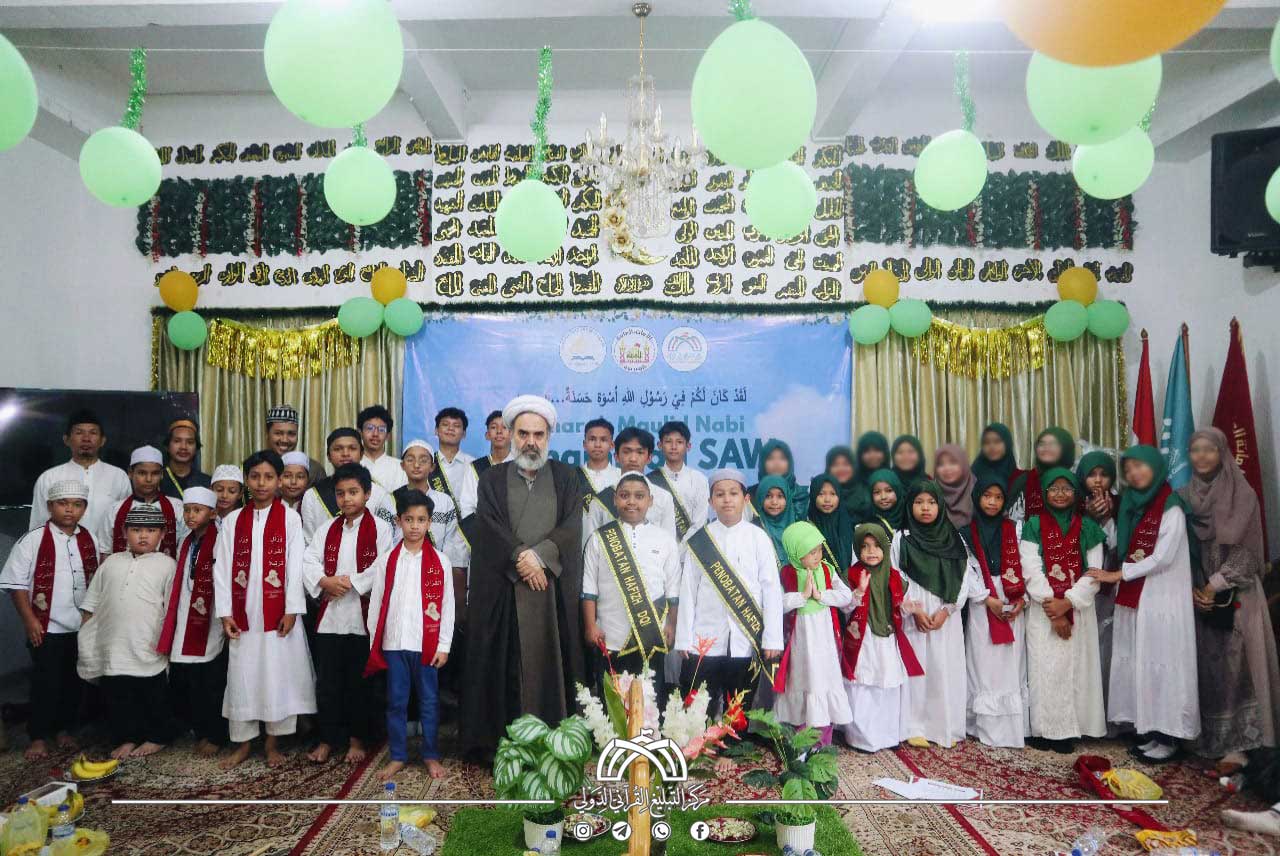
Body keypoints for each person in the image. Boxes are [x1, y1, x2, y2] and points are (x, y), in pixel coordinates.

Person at [460, 396, 584, 757]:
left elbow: (571, 526)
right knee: (507, 666)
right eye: (524, 434)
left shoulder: (566, 477)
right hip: (506, 588)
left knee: (552, 662)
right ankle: (505, 743)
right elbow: (488, 526)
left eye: (538, 435)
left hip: (550, 589)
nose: (531, 442)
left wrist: (540, 557)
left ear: (548, 438)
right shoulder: (492, 479)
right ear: (512, 435)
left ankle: (555, 740)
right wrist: (521, 557)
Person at [1086, 445, 1199, 762]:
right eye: (1128, 469)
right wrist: (1104, 518)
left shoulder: (1171, 506)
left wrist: (1118, 574)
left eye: (1140, 466)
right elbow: (1117, 544)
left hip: (1162, 598)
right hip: (1136, 595)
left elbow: (1163, 557)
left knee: (1163, 662)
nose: (1134, 473)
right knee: (1142, 661)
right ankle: (1151, 731)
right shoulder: (1131, 505)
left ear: (1155, 467)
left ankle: (1170, 735)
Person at [215, 450, 317, 769]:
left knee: (277, 675)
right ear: (246, 480)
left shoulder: (290, 518)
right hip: (243, 613)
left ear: (279, 480)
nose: (261, 483)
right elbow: (222, 570)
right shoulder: (233, 521)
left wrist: (292, 609)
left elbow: (295, 567)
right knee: (242, 676)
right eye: (255, 476)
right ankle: (243, 744)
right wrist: (225, 612)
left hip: (278, 614)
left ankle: (273, 743)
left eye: (269, 477)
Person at [1182, 427, 1280, 758]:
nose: (1202, 456)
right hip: (1197, 597)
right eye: (1196, 450)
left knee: (1238, 666)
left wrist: (1213, 585)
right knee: (1208, 669)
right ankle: (1209, 741)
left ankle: (1243, 747)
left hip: (1237, 595)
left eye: (1209, 449)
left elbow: (1248, 553)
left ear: (1222, 453)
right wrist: (1194, 588)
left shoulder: (1242, 494)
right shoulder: (1183, 496)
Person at [358, 489, 455, 782]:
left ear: (429, 523)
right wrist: (374, 642)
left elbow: (447, 606)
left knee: (429, 701)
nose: (414, 526)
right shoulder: (387, 560)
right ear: (398, 521)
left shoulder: (441, 562)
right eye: (409, 519)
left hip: (426, 645)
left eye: (421, 520)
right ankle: (398, 755)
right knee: (396, 702)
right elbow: (376, 603)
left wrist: (444, 645)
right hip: (394, 643)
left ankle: (430, 754)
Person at [302, 463, 393, 765]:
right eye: (340, 493)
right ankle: (327, 738)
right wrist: (324, 581)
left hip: (361, 618)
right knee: (328, 683)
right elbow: (309, 560)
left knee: (359, 683)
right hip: (330, 619)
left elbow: (382, 565)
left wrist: (350, 582)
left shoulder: (380, 528)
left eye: (353, 492)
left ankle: (356, 739)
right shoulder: (327, 528)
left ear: (367, 494)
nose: (347, 499)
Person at [2, 480, 98, 760]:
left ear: (84, 508)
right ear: (49, 506)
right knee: (45, 683)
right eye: (62, 503)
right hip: (47, 626)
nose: (69, 510)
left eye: (77, 504)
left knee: (73, 682)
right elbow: (15, 584)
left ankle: (63, 729)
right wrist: (30, 620)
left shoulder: (89, 539)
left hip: (79, 626)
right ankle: (38, 735)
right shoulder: (32, 540)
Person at [675, 469, 783, 716]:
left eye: (733, 493)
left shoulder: (758, 538)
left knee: (738, 713)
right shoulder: (700, 540)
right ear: (710, 501)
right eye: (720, 494)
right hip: (704, 639)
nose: (727, 500)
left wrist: (773, 639)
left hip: (745, 640)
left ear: (746, 499)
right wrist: (683, 638)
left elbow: (771, 591)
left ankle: (735, 741)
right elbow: (688, 590)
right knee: (699, 711)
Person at [77, 503, 176, 760]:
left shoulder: (167, 565)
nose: (143, 536)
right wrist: (86, 634)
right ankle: (126, 737)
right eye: (136, 530)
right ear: (124, 532)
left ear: (162, 534)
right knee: (117, 693)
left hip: (147, 641)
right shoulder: (111, 562)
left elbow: (171, 608)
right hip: (112, 642)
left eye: (151, 531)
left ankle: (157, 736)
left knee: (151, 692)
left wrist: (167, 643)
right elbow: (91, 602)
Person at [1020, 469, 1106, 752]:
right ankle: (1042, 729)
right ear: (1044, 493)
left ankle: (1068, 731)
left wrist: (1067, 602)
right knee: (1043, 668)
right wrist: (1054, 608)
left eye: (1066, 488)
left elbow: (1094, 573)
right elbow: (1030, 569)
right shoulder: (1033, 525)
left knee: (1073, 669)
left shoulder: (1089, 527)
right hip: (1043, 609)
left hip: (1078, 609)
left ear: (1076, 493)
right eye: (1053, 488)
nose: (1059, 494)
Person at [893, 480, 976, 749]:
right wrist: (914, 610)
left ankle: (944, 726)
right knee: (917, 670)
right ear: (910, 506)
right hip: (914, 615)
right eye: (919, 503)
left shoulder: (954, 538)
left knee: (943, 668)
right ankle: (914, 726)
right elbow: (895, 577)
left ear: (940, 505)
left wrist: (947, 610)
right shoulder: (902, 538)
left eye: (931, 502)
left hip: (944, 617)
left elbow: (964, 577)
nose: (925, 508)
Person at [581, 473, 680, 698]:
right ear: (615, 500)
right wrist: (590, 626)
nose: (631, 502)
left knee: (650, 703)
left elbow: (673, 589)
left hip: (652, 634)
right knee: (612, 704)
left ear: (650, 501)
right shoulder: (599, 538)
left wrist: (672, 625)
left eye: (639, 496)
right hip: (610, 635)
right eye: (625, 496)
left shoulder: (664, 539)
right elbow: (589, 588)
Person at [157, 486, 228, 756]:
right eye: (187, 510)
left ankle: (215, 733)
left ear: (212, 513)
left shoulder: (221, 539)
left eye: (197, 510)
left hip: (211, 616)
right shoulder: (185, 541)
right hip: (186, 614)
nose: (190, 515)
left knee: (210, 679)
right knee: (187, 677)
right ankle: (197, 728)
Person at [840, 522, 924, 752]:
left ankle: (887, 736)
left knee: (886, 685)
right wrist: (858, 591)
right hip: (863, 638)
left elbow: (897, 609)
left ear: (885, 549)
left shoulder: (894, 576)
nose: (871, 551)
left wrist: (907, 608)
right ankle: (861, 738)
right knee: (863, 684)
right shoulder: (851, 574)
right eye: (865, 546)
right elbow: (844, 607)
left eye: (877, 546)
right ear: (857, 548)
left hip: (887, 639)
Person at [962, 475, 1029, 749]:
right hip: (982, 601)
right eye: (987, 496)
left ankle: (1011, 728)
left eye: (998, 497)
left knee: (1010, 662)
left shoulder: (1016, 529)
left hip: (1012, 599)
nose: (992, 502)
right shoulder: (965, 533)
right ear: (977, 498)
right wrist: (986, 598)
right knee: (984, 661)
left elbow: (1025, 564)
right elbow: (965, 571)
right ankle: (983, 726)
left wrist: (1022, 598)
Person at [773, 521, 853, 746]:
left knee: (824, 679)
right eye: (811, 552)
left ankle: (822, 740)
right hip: (800, 640)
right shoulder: (787, 573)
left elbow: (846, 596)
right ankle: (800, 739)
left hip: (824, 638)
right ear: (796, 553)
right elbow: (777, 603)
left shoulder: (827, 570)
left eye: (819, 550)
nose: (818, 556)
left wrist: (821, 596)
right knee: (803, 679)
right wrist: (802, 596)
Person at [30, 408, 130, 536]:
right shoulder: (49, 478)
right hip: (61, 548)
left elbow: (128, 524)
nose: (86, 438)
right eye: (79, 432)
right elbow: (38, 526)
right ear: (66, 439)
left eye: (93, 433)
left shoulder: (118, 477)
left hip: (107, 548)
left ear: (102, 440)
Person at [1076, 449, 1120, 710]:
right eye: (1092, 474)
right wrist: (1090, 516)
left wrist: (1108, 517)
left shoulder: (1122, 504)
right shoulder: (1072, 503)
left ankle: (1110, 710)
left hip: (1114, 589)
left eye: (1104, 474)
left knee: (1110, 647)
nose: (1098, 480)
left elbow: (1121, 546)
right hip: (1082, 588)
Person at [301, 428, 395, 541]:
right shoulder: (312, 495)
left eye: (352, 448)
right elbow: (309, 540)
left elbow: (389, 536)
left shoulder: (379, 493)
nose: (345, 454)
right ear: (328, 456)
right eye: (338, 449)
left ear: (361, 454)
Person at [586, 428, 677, 541]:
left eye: (640, 452)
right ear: (616, 457)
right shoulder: (600, 501)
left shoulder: (663, 498)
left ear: (649, 458)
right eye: (627, 452)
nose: (633, 459)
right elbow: (590, 544)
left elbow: (670, 542)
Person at [99, 446, 186, 561]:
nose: (148, 479)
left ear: (162, 474)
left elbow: (185, 552)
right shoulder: (115, 510)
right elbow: (105, 553)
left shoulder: (177, 507)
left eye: (155, 473)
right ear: (130, 473)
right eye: (142, 473)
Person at [649, 420, 710, 543]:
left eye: (679, 442)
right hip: (658, 548)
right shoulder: (650, 481)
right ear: (660, 445)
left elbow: (699, 523)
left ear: (688, 446)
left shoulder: (699, 480)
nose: (673, 447)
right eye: (668, 441)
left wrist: (680, 550)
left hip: (689, 550)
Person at [1009, 427, 1075, 522]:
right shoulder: (1025, 480)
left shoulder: (1074, 481)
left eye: (1053, 444)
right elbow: (1012, 518)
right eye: (1042, 444)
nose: (1046, 448)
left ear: (1065, 448)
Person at [577, 418, 622, 542]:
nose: (597, 445)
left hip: (616, 546)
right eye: (592, 439)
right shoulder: (572, 477)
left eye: (603, 440)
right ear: (584, 444)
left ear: (612, 445)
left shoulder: (621, 477)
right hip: (581, 543)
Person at [807, 473, 855, 572]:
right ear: (813, 495)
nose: (827, 499)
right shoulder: (807, 529)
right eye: (821, 494)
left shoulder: (849, 525)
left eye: (833, 494)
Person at [749, 439, 808, 520]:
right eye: (770, 458)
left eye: (782, 458)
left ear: (790, 462)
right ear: (762, 463)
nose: (777, 463)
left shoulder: (801, 495)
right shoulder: (751, 495)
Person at [265, 404, 324, 482]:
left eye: (291, 434)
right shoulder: (255, 467)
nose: (285, 440)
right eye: (278, 433)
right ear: (267, 434)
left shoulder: (314, 470)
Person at [431, 407, 473, 516]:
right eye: (445, 424)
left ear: (464, 434)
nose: (450, 429)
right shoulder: (427, 463)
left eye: (456, 426)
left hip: (465, 524)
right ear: (436, 430)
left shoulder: (473, 465)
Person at [358, 404, 406, 493]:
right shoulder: (353, 464)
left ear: (388, 435)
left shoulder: (400, 468)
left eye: (381, 429)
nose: (375, 434)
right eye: (370, 428)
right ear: (360, 432)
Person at [159, 418, 211, 499]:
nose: (183, 447)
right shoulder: (156, 480)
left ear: (196, 448)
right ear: (167, 446)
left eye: (190, 442)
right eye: (177, 441)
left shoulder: (207, 483)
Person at [755, 474, 798, 567]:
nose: (774, 502)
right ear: (760, 497)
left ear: (787, 498)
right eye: (768, 496)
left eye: (780, 496)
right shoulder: (754, 529)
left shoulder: (798, 528)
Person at [848, 432, 891, 520]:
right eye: (867, 451)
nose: (872, 456)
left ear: (885, 453)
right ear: (860, 455)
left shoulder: (894, 480)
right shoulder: (851, 481)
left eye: (877, 450)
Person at [933, 444, 977, 528]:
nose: (947, 468)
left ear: (963, 464)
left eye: (953, 462)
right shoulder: (930, 494)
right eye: (940, 464)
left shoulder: (980, 492)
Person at [971, 422, 1023, 491]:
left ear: (1007, 444)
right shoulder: (973, 475)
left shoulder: (1018, 478)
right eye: (986, 442)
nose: (991, 447)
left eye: (997, 441)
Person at [866, 469, 907, 534]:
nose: (883, 497)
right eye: (877, 492)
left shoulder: (910, 517)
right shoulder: (868, 524)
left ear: (898, 491)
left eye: (889, 491)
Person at [824, 445, 859, 512]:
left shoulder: (866, 495)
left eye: (846, 464)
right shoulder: (820, 492)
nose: (841, 469)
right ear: (828, 468)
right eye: (835, 464)